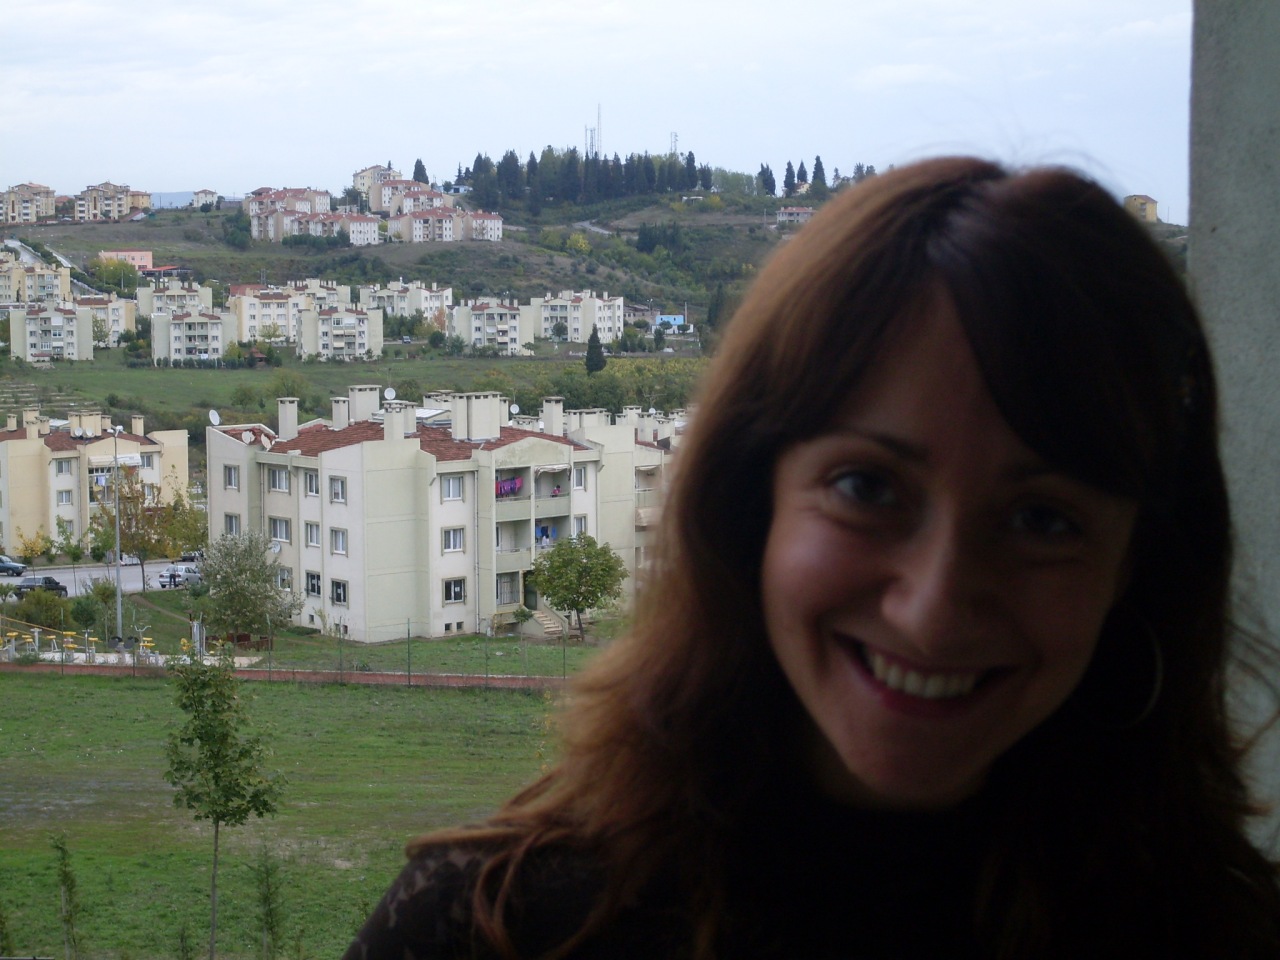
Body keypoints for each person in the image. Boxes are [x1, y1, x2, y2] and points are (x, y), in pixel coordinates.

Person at [346, 158, 1280, 959]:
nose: (934, 608)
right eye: (869, 488)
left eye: (1043, 519)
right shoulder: (493, 931)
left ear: (1138, 563)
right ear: (752, 499)